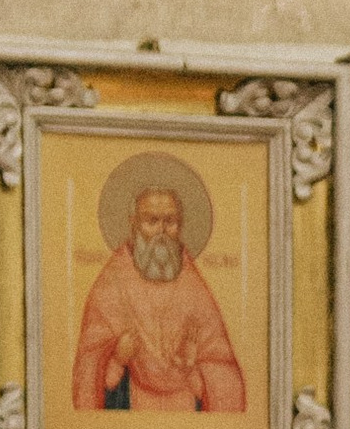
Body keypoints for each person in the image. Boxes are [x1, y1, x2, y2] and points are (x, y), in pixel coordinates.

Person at [71, 170, 246, 415]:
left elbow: (224, 372)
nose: (162, 233)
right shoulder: (112, 283)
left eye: (170, 222)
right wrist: (118, 359)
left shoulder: (194, 287)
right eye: (152, 221)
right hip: (129, 414)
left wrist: (192, 369)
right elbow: (89, 375)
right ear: (133, 223)